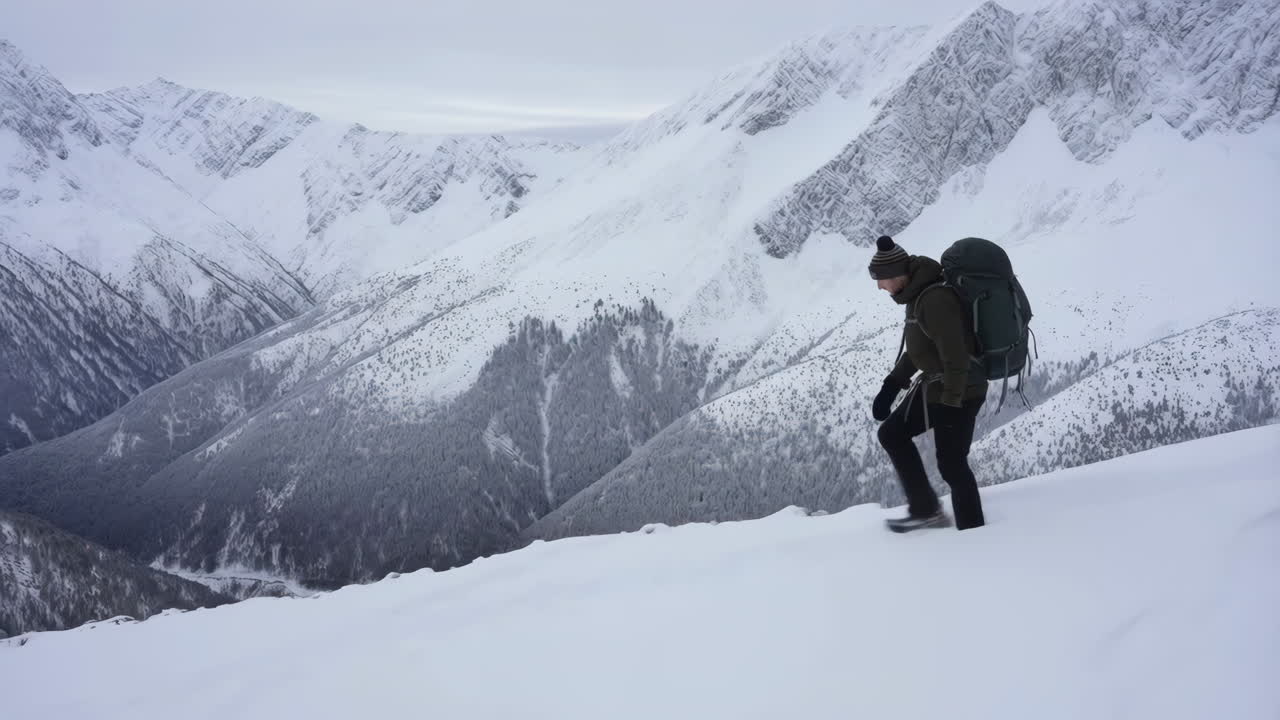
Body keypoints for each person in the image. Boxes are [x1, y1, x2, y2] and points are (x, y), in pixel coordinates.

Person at [867, 235, 989, 532]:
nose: (880, 287)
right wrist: (892, 384)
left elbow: (956, 356)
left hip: (961, 390)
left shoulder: (933, 300)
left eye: (881, 280)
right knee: (892, 434)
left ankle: (975, 532)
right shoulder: (916, 296)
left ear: (897, 274)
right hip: (936, 386)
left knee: (951, 463)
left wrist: (950, 403)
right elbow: (922, 348)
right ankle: (926, 510)